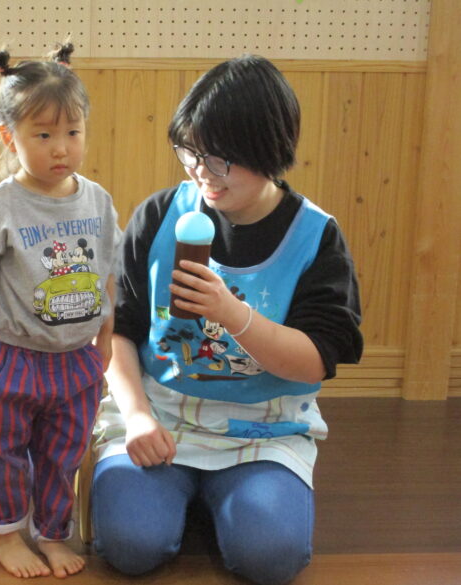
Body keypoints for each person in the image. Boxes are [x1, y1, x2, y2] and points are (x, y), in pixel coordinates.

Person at [91, 54, 363, 585]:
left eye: (220, 160)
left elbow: (316, 360)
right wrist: (138, 414)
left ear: (270, 150)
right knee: (130, 546)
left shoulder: (315, 237)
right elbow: (120, 330)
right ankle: (185, 497)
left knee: (271, 559)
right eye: (190, 153)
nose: (201, 173)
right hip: (160, 417)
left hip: (262, 431)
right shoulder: (160, 215)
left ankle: (217, 498)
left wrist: (233, 315)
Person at [0, 43, 121, 579]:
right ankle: (5, 537)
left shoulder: (97, 200)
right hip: (11, 358)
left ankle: (52, 534)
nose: (61, 148)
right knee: (2, 452)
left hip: (76, 361)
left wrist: (105, 343)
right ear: (11, 137)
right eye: (43, 135)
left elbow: (109, 273)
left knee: (62, 454)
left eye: (72, 132)